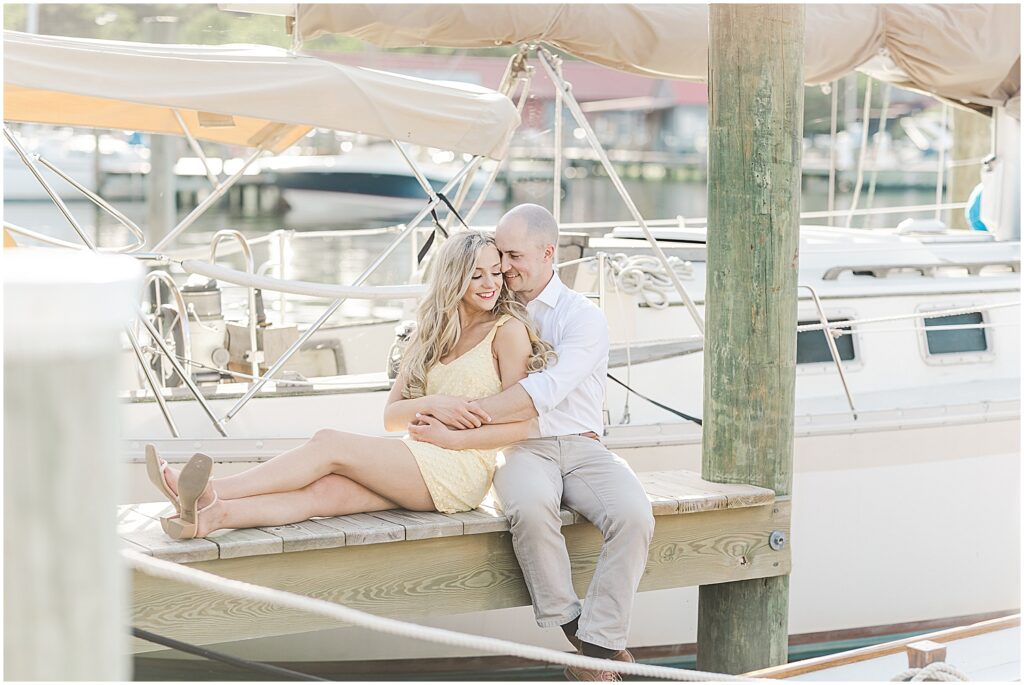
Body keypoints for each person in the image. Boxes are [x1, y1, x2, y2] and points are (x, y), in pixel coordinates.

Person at [145, 230, 554, 540]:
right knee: (325, 494)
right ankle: (212, 518)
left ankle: (209, 489)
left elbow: (523, 425)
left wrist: (455, 439)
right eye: (476, 275)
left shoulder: (507, 331)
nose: (490, 284)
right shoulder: (429, 335)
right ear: (453, 279)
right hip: (416, 458)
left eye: (496, 274)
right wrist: (436, 402)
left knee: (329, 442)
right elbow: (393, 418)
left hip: (460, 469)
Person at [413, 204, 655, 681]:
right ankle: (572, 627)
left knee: (634, 514)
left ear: (548, 253)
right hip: (522, 447)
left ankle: (599, 648)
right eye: (500, 253)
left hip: (583, 446)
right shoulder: (492, 305)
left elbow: (543, 393)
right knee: (528, 507)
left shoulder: (583, 317)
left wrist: (460, 418)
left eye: (513, 255)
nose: (503, 265)